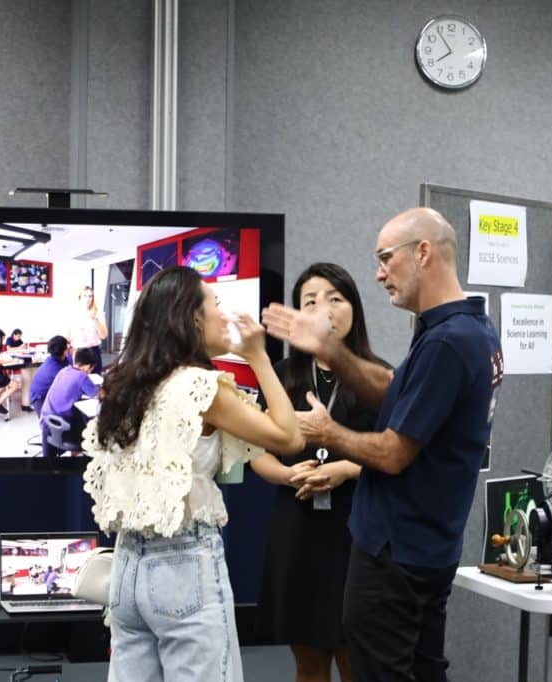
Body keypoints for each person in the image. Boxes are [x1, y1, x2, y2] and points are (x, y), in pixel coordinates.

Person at [263, 207, 504, 682]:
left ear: (423, 253)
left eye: (385, 258)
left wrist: (329, 433)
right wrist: (330, 350)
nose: (379, 273)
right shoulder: (462, 329)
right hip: (424, 547)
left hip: (399, 554)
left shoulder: (447, 343)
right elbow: (395, 389)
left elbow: (394, 455)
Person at [82, 265, 304, 681]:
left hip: (127, 567)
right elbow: (289, 437)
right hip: (184, 567)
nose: (223, 312)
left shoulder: (127, 386)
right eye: (215, 303)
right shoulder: (202, 387)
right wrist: (258, 356)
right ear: (193, 318)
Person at [251, 263, 385, 682]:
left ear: (354, 308)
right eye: (310, 301)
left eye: (335, 298)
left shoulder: (377, 378)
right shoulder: (282, 376)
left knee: (357, 661)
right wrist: (286, 475)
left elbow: (398, 454)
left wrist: (345, 469)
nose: (323, 308)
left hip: (357, 532)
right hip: (297, 530)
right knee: (308, 664)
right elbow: (255, 452)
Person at [40, 347, 100, 455]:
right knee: (88, 424)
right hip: (63, 427)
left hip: (46, 422)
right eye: (91, 369)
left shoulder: (64, 371)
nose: (89, 372)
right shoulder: (82, 376)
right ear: (87, 366)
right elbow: (100, 395)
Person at [69, 285, 107, 373]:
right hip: (77, 351)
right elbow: (67, 336)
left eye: (90, 296)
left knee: (95, 378)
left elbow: (104, 336)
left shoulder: (99, 313)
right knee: (77, 378)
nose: (88, 299)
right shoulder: (73, 314)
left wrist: (95, 320)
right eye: (85, 296)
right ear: (80, 297)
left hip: (93, 351)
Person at [28, 335, 71, 414]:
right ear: (65, 351)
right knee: (52, 420)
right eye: (68, 345)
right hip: (40, 398)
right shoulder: (54, 368)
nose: (70, 346)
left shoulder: (59, 358)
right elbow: (69, 386)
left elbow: (70, 366)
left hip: (49, 393)